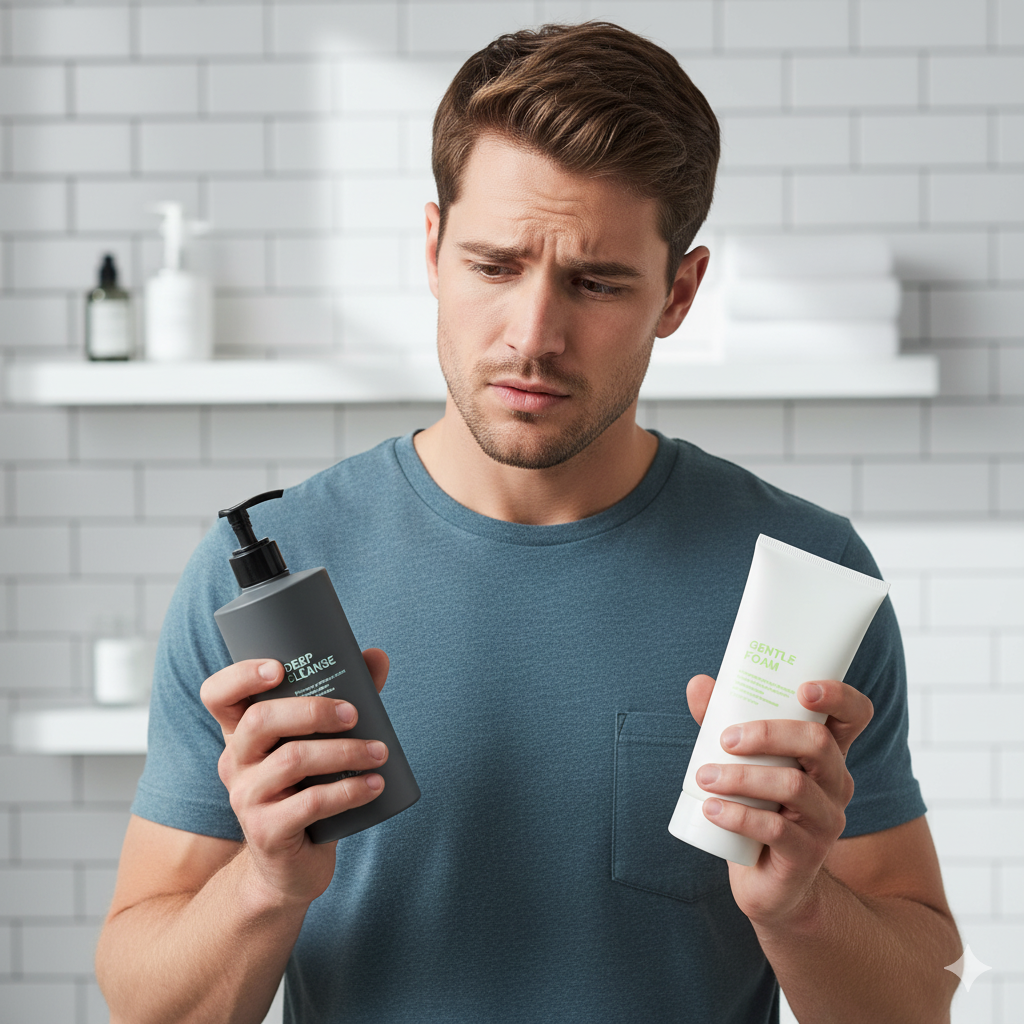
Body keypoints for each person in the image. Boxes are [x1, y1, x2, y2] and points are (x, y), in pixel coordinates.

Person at [96, 22, 961, 1024]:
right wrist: (265, 886)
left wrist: (800, 907)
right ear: (431, 250)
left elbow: (918, 1002)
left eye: (595, 282)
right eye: (494, 264)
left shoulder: (803, 580)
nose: (532, 336)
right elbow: (147, 1007)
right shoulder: (265, 579)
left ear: (678, 292)